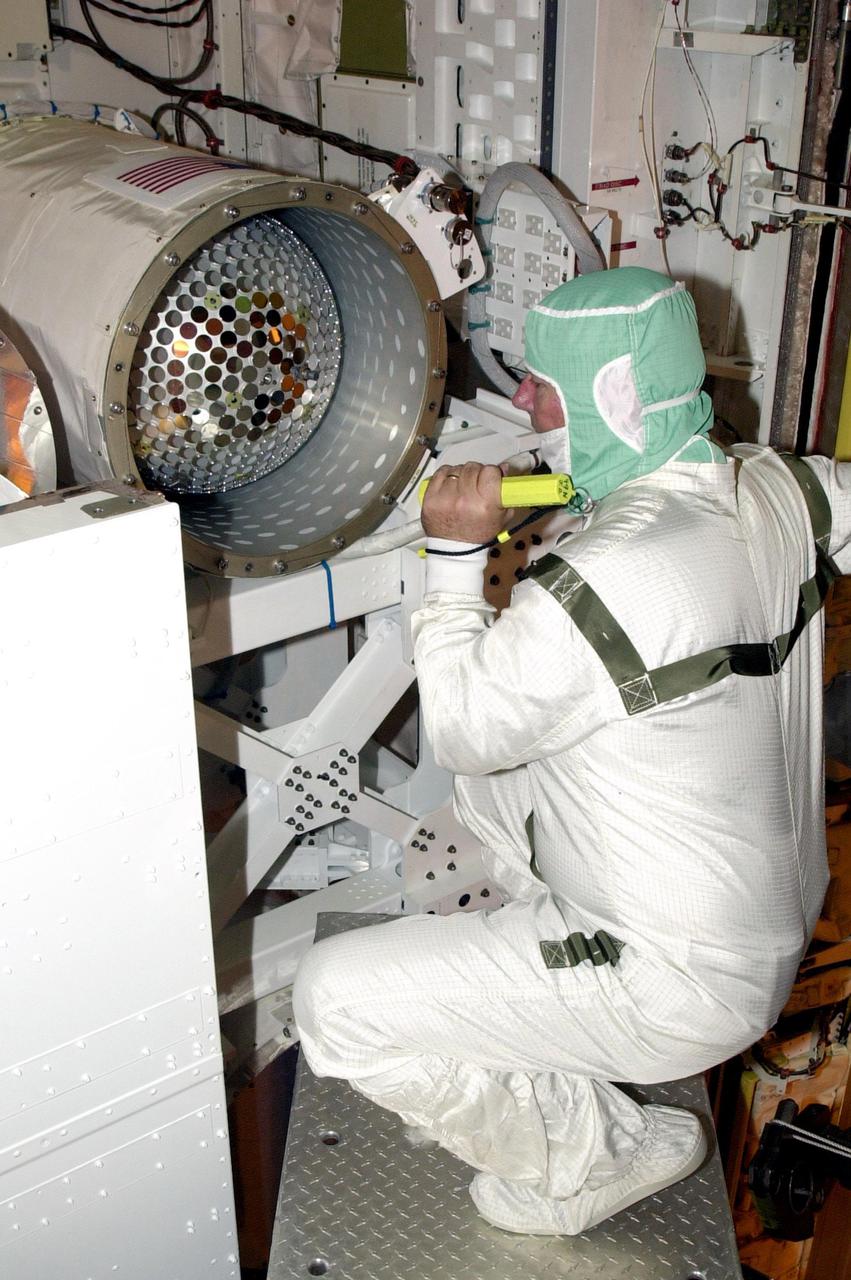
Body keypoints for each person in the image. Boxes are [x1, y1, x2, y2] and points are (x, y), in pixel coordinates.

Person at [292, 266, 851, 1235]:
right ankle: (532, 998)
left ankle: (593, 1157)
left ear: (610, 396)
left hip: (667, 972)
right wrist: (533, 488)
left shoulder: (601, 579)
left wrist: (455, 559)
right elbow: (636, 507)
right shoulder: (780, 483)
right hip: (763, 909)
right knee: (498, 792)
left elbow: (463, 725)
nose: (518, 397)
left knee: (333, 1001)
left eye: (538, 384)